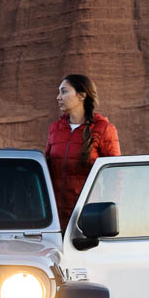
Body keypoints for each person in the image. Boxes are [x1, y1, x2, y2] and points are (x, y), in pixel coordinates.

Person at [45, 73, 121, 230]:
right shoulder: (55, 129)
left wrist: (107, 216)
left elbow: (114, 177)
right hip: (53, 218)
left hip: (86, 216)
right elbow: (47, 170)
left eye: (64, 91)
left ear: (81, 95)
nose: (58, 97)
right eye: (59, 92)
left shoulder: (104, 129)